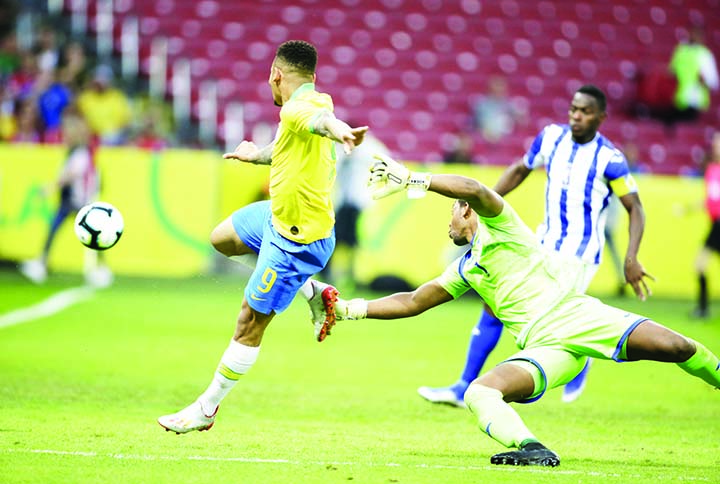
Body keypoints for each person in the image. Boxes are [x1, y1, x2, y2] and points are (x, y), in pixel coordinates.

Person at [323, 153, 719, 467]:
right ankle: (531, 447)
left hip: (578, 316)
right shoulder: (465, 269)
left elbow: (475, 188)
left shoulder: (503, 227)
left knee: (679, 348)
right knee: (480, 393)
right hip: (544, 349)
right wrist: (348, 310)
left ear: (466, 212)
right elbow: (412, 301)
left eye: (451, 215)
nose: (447, 225)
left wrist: (414, 179)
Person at [157, 40, 368, 434]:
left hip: (297, 242)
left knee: (248, 322)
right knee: (222, 238)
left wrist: (341, 132)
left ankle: (207, 407)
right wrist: (256, 156)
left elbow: (319, 122)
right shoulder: (312, 100)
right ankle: (314, 292)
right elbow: (295, 138)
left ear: (276, 75)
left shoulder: (301, 108)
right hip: (274, 219)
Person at [418, 85, 648, 407]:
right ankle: (463, 386)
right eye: (573, 109)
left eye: (584, 111)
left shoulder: (610, 159)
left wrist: (631, 257)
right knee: (493, 302)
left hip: (578, 255)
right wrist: (480, 206)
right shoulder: (551, 137)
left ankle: (583, 354)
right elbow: (520, 169)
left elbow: (635, 207)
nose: (576, 116)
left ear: (601, 117)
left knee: (553, 325)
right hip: (541, 244)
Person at [19, 113, 103, 284]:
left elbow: (71, 174)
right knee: (58, 230)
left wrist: (51, 187)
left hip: (78, 200)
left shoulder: (81, 152)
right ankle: (42, 264)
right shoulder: (78, 152)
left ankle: (99, 269)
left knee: (88, 234)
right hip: (73, 199)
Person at [325, 131, 389, 289]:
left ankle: (353, 276)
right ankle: (331, 275)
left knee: (354, 242)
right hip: (341, 203)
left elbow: (386, 161)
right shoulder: (339, 148)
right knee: (334, 240)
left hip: (360, 203)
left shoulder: (370, 147)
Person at [693, 130, 720, 318]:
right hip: (715, 223)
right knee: (700, 265)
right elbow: (711, 199)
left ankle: (703, 309)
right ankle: (703, 308)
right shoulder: (711, 169)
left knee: (700, 264)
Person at [669, 25, 719, 122]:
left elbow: (713, 81)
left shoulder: (704, 54)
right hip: (678, 99)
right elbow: (672, 71)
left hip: (695, 101)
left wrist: (703, 80)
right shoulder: (681, 50)